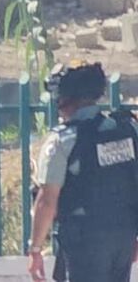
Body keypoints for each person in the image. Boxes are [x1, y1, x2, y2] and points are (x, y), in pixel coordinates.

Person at [28, 61, 138, 282]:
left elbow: (46, 200)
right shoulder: (126, 130)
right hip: (123, 235)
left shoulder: (63, 140)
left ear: (65, 97)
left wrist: (35, 248)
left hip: (85, 239)